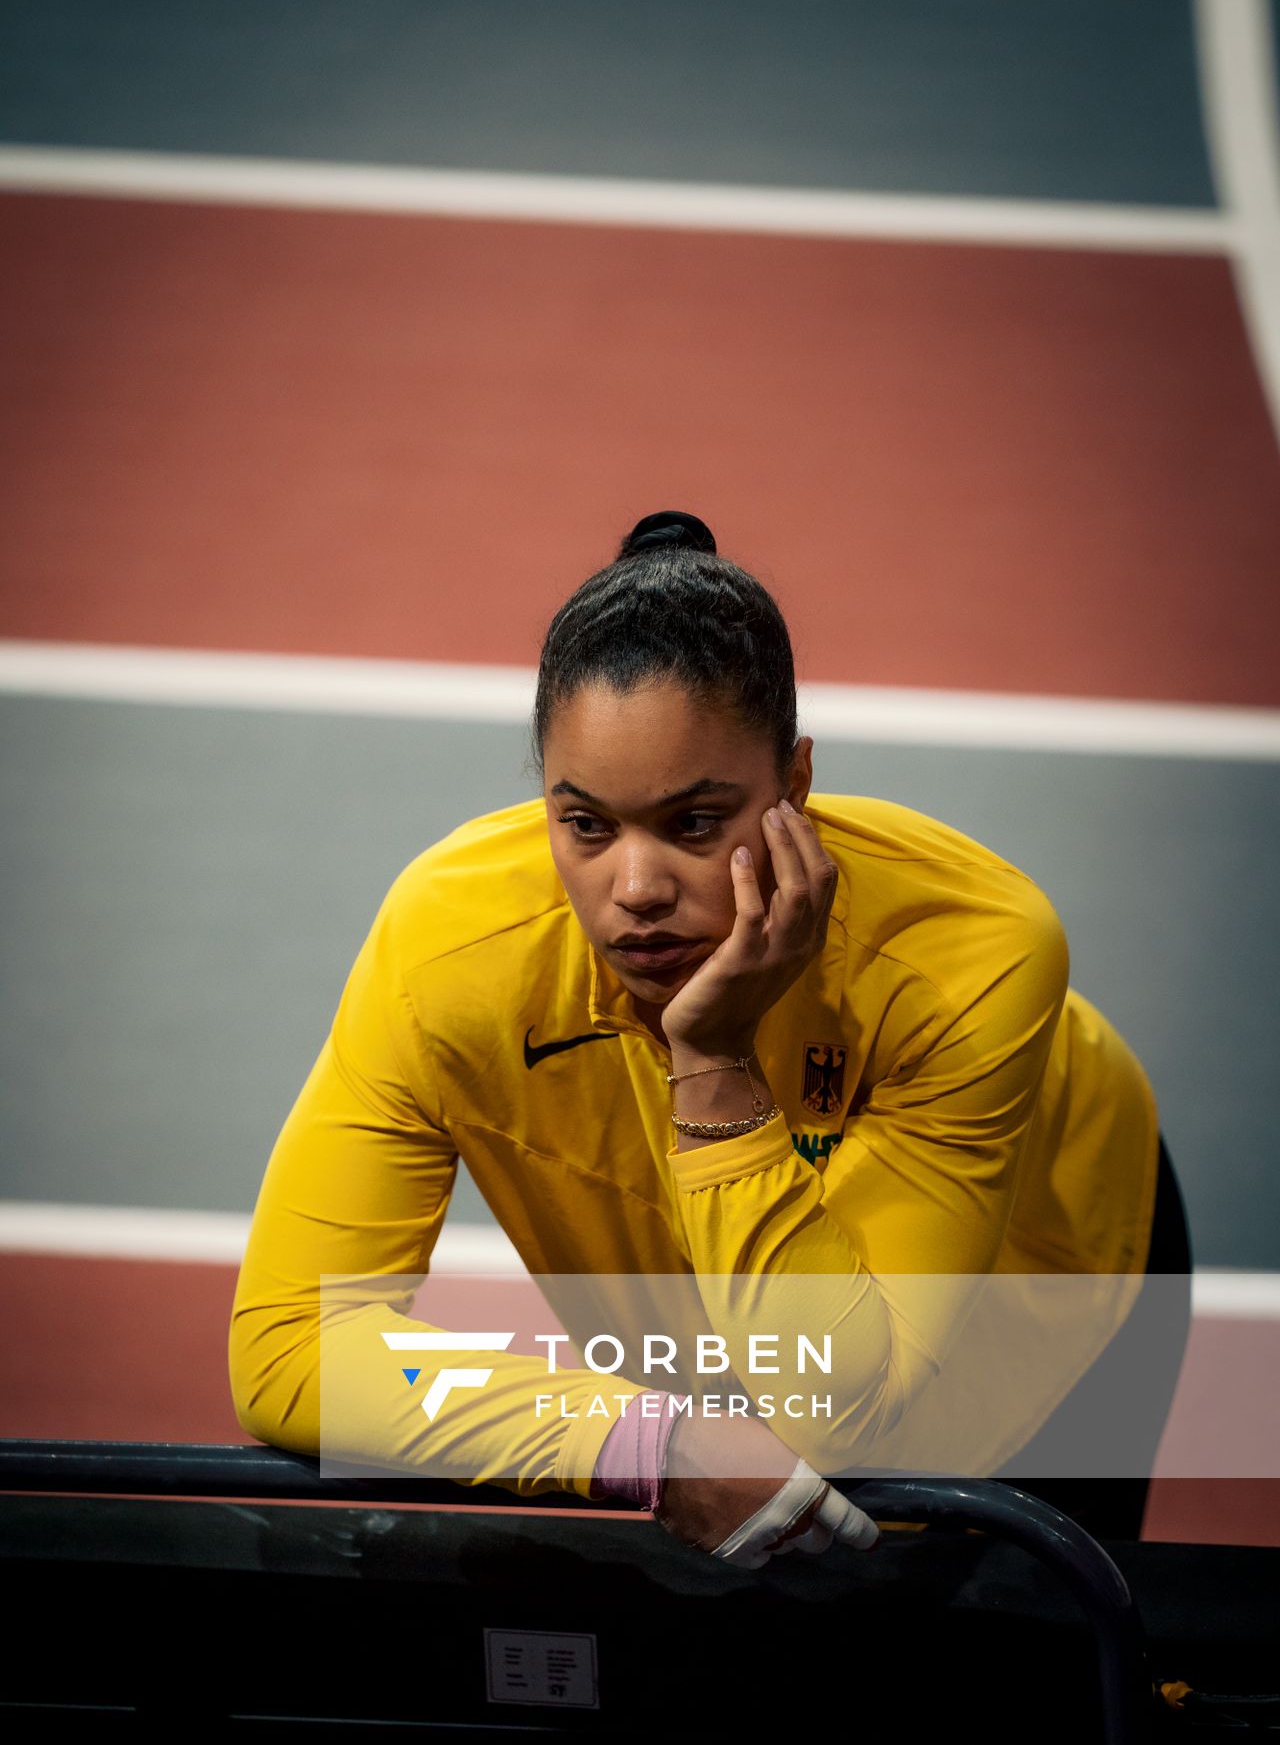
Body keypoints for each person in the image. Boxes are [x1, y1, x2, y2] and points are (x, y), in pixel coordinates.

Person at [228, 510, 1193, 1566]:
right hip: (727, 1340)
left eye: (695, 823)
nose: (633, 893)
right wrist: (644, 1436)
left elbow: (836, 1413)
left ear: (795, 785)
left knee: (1023, 1663)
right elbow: (290, 1348)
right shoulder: (445, 954)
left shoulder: (967, 956)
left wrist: (716, 1063)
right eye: (584, 824)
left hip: (1045, 1280)